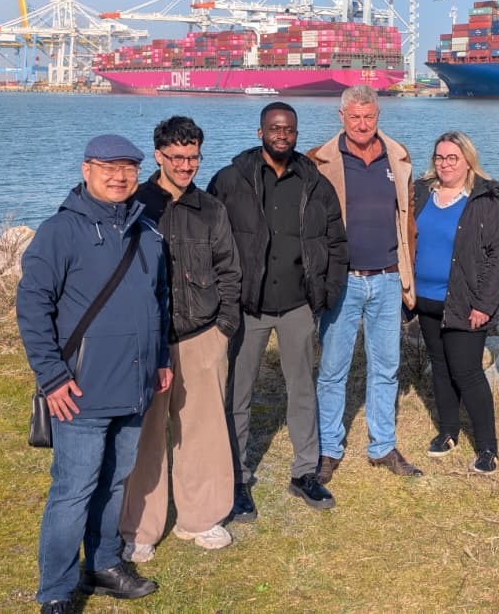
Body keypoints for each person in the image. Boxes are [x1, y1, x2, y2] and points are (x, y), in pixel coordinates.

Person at [16, 134, 171, 612]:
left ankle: (103, 566)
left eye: (128, 168)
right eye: (108, 167)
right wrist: (52, 377)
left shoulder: (149, 232)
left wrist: (161, 358)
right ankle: (56, 592)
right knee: (73, 490)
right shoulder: (60, 232)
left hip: (135, 384)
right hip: (80, 390)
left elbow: (159, 303)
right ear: (86, 170)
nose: (119, 176)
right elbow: (32, 306)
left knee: (116, 481)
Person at [207, 102, 346, 519]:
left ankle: (305, 472)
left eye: (288, 129)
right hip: (247, 307)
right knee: (238, 393)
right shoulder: (231, 180)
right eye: (274, 128)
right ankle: (235, 476)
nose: (282, 135)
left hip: (298, 305)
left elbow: (336, 242)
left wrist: (328, 291)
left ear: (296, 133)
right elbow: (210, 241)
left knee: (302, 390)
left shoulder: (315, 182)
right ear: (260, 131)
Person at [121, 117, 241, 559]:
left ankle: (201, 518)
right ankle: (138, 528)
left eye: (193, 157)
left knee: (202, 430)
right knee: (146, 433)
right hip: (145, 339)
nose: (186, 165)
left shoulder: (210, 209)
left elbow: (230, 268)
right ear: (158, 156)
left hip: (202, 336)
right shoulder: (135, 204)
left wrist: (224, 327)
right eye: (177, 157)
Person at [309, 84, 421, 480]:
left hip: (389, 278)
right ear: (342, 117)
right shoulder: (319, 161)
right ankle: (328, 449)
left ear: (378, 116)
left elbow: (407, 218)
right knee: (333, 370)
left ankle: (382, 446)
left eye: (368, 117)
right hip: (343, 281)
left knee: (386, 367)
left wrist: (409, 273)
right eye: (354, 117)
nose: (361, 124)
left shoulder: (398, 156)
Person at [410, 130, 499, 474]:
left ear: (468, 159)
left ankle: (488, 447)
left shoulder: (484, 200)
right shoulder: (422, 193)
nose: (445, 164)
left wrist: (484, 304)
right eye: (440, 157)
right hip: (425, 300)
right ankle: (449, 431)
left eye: (452, 157)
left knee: (467, 372)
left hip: (465, 302)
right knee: (440, 368)